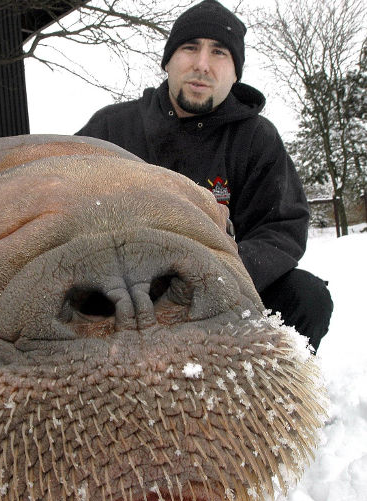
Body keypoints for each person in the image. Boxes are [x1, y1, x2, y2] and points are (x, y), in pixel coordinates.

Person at [76, 0, 333, 351]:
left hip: (221, 295)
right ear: (168, 60)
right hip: (119, 294)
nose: (202, 65)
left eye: (219, 53)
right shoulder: (111, 127)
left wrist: (211, 277)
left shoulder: (257, 139)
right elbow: (64, 205)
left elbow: (281, 228)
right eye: (189, 48)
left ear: (235, 72)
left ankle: (263, 402)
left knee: (308, 297)